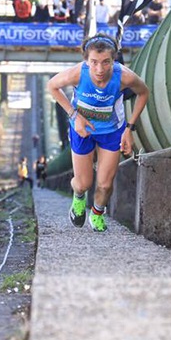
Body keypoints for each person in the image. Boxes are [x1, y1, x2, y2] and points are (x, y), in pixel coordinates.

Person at [47, 33, 149, 232]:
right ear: (86, 60)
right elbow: (52, 86)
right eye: (94, 62)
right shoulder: (78, 73)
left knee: (105, 184)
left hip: (111, 131)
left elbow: (143, 92)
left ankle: (98, 212)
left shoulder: (124, 76)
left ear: (114, 60)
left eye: (106, 62)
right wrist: (74, 115)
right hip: (82, 129)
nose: (99, 69)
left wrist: (130, 128)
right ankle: (78, 197)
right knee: (83, 183)